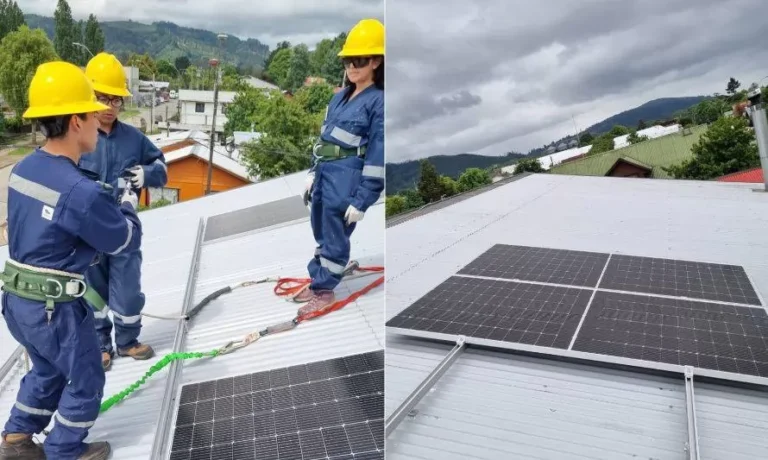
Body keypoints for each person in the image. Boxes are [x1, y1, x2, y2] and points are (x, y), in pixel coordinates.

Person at [0, 61, 142, 459]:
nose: (101, 122)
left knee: (46, 370)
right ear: (76, 121)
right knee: (85, 381)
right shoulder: (81, 192)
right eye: (95, 114)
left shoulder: (23, 168)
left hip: (17, 304)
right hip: (55, 311)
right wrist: (128, 202)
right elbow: (121, 240)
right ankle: (63, 451)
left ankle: (16, 438)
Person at [79, 52, 168, 370]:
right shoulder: (78, 136)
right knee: (92, 290)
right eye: (102, 98)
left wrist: (146, 175)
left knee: (128, 287)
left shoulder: (133, 139)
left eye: (115, 99)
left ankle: (127, 340)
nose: (109, 106)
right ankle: (101, 344)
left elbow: (161, 167)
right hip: (88, 229)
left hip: (123, 226)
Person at [296, 18, 385, 315]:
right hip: (324, 174)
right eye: (348, 60)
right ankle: (318, 277)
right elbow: (323, 138)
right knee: (321, 231)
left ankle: (324, 290)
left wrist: (363, 199)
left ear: (375, 61)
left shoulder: (379, 102)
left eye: (358, 60)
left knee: (335, 234)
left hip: (347, 177)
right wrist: (311, 173)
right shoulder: (338, 98)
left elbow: (378, 153)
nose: (352, 67)